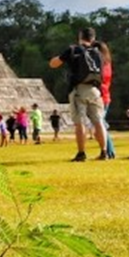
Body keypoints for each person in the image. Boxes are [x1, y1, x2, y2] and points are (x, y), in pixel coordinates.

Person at [50, 27, 108, 161]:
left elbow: (54, 64)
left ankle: (81, 153)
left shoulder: (74, 49)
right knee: (98, 121)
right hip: (95, 90)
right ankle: (104, 151)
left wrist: (57, 58)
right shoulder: (98, 53)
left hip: (79, 89)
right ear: (93, 39)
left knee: (80, 122)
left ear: (80, 37)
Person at [97, 41, 115, 159]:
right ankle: (108, 151)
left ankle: (109, 151)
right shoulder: (107, 63)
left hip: (101, 96)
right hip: (105, 96)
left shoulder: (102, 65)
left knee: (101, 125)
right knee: (101, 124)